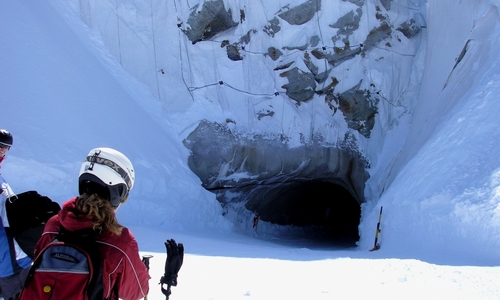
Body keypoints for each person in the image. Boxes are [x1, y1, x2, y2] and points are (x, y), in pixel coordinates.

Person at [32, 147, 149, 300]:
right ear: (117, 193)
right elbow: (136, 292)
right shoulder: (120, 240)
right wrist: (143, 270)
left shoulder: (55, 224)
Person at [0, 129, 33, 300]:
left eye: (6, 147)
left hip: (16, 259)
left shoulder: (1, 181)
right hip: (11, 264)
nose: (3, 151)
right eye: (0, 146)